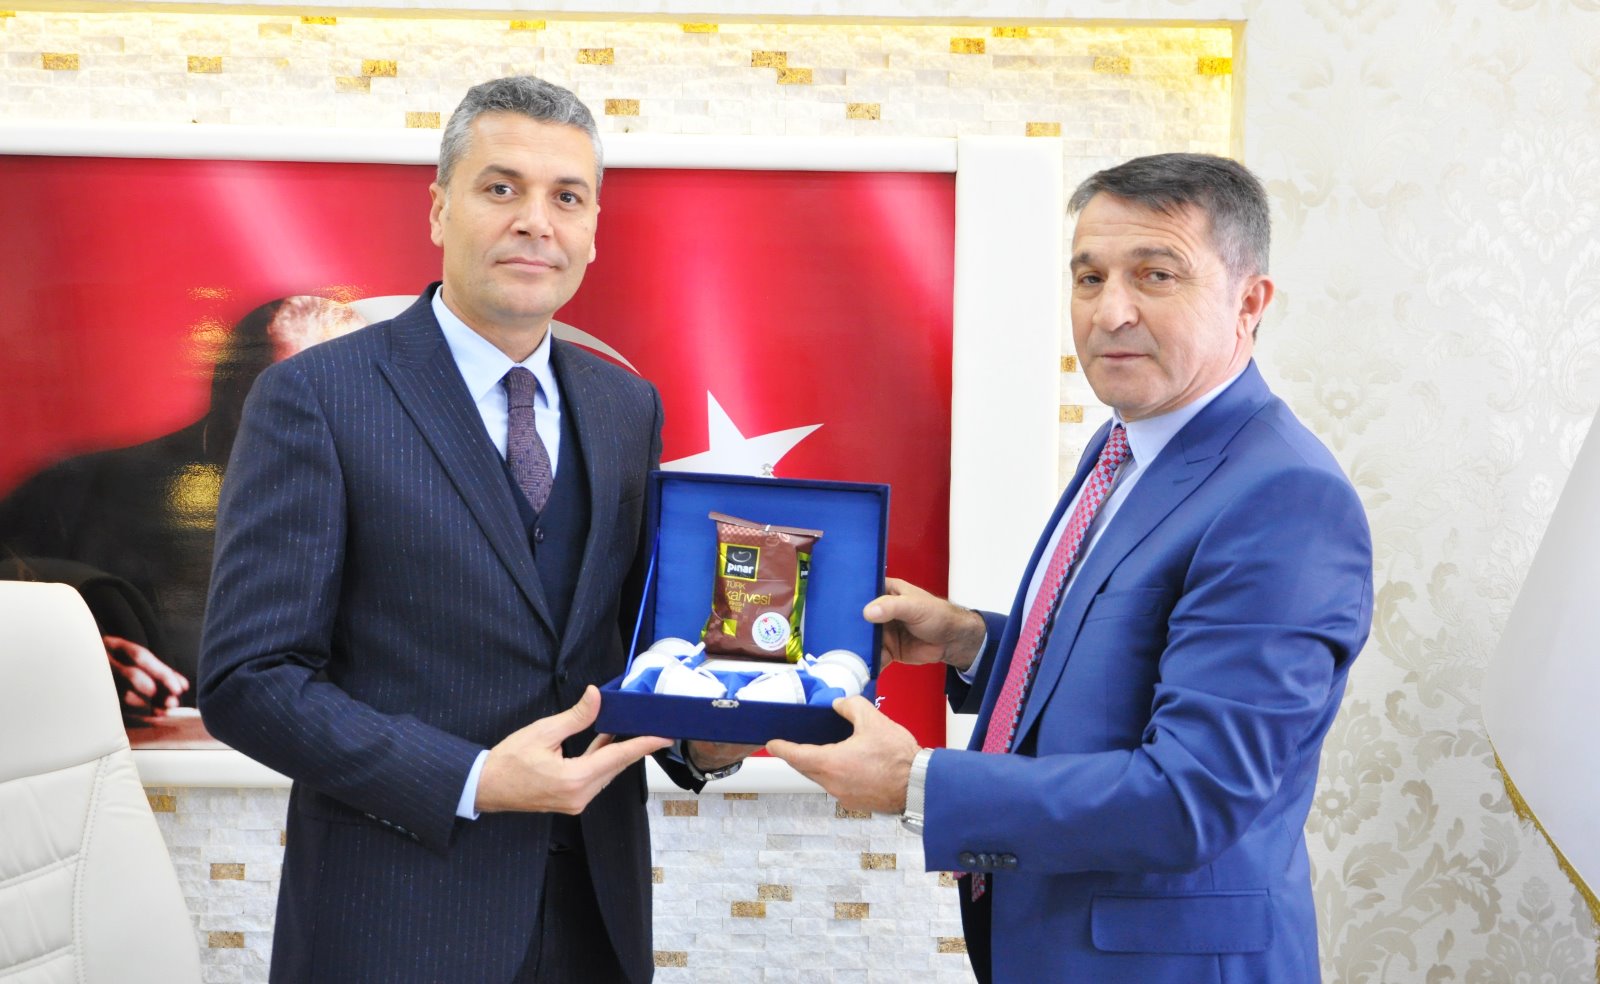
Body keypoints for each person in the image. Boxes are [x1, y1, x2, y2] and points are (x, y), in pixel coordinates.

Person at [769, 153, 1373, 983]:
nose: (1110, 312)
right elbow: (1129, 663)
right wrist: (973, 643)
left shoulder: (1285, 497)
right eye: (1089, 278)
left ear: (1250, 302)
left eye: (1155, 275)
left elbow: (1191, 795)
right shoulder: (1125, 442)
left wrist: (918, 781)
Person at [198, 76, 746, 984]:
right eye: (501, 188)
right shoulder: (315, 396)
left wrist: (703, 738)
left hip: (597, 917)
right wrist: (473, 779)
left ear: (593, 229)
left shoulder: (627, 406)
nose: (536, 221)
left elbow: (630, 643)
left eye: (566, 197)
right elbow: (248, 681)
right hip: (394, 926)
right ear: (438, 209)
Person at [0, 295, 366, 721]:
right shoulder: (76, 490)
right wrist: (66, 659)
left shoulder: (403, 508)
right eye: (286, 397)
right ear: (226, 388)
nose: (318, 424)